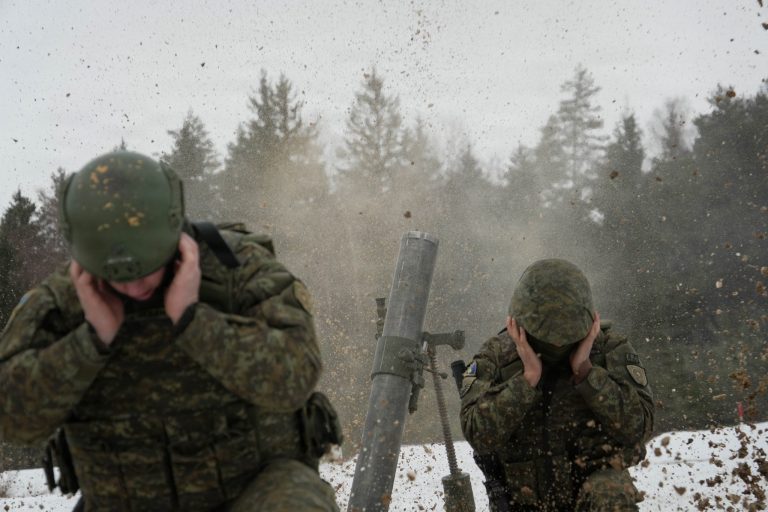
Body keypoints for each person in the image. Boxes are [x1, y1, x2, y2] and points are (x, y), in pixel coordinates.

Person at [0, 151, 341, 511]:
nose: (133, 286)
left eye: (146, 267)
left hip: (253, 490)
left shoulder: (237, 270)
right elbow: (10, 420)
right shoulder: (64, 300)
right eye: (116, 275)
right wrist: (90, 341)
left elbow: (295, 374)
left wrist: (193, 322)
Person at [460, 259, 654, 511]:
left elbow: (638, 428)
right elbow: (479, 435)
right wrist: (527, 379)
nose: (558, 346)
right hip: (524, 501)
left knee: (611, 494)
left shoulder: (609, 351)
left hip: (592, 499)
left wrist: (587, 373)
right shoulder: (497, 357)